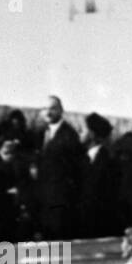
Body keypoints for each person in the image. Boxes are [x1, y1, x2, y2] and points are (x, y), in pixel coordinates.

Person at [35, 96, 86, 240]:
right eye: (45, 109)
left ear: (61, 111)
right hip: (43, 199)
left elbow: (74, 171)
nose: (48, 112)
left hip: (60, 202)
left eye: (52, 108)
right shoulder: (40, 133)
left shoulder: (69, 136)